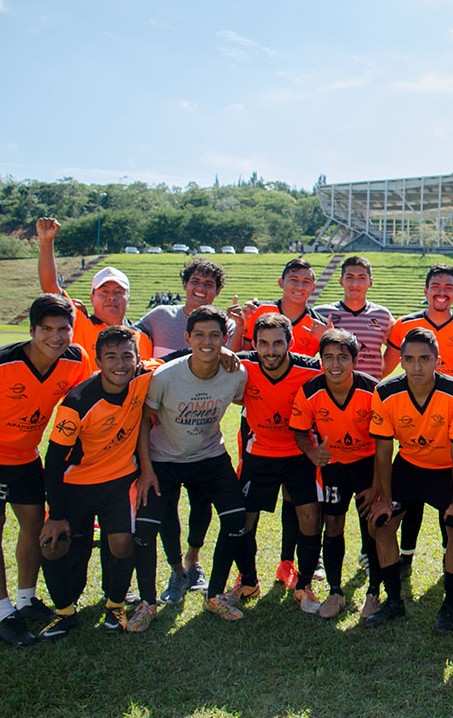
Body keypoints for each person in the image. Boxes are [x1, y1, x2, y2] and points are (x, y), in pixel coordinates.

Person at [0, 294, 93, 645]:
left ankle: (25, 599)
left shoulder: (76, 360)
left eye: (63, 329)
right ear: (32, 329)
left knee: (34, 526)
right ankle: (5, 614)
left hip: (27, 457)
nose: (55, 337)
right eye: (46, 329)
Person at [131, 306, 250, 630]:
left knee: (236, 520)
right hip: (163, 459)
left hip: (209, 455)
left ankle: (214, 595)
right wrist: (146, 469)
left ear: (224, 339)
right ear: (187, 338)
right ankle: (148, 601)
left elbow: (245, 397)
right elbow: (144, 419)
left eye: (215, 335)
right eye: (199, 335)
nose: (207, 342)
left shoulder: (236, 372)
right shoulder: (165, 376)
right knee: (145, 529)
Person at [37, 326, 156, 637]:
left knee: (122, 543)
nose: (120, 364)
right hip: (75, 485)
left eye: (127, 356)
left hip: (119, 482)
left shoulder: (144, 377)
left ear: (138, 358)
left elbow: (183, 360)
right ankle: (63, 611)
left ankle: (115, 604)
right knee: (53, 545)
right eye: (111, 357)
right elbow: (54, 460)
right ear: (99, 361)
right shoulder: (76, 402)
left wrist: (225, 354)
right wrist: (57, 514)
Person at [136, 256, 234, 606]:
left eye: (209, 284)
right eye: (195, 281)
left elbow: (222, 367)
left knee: (202, 504)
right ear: (185, 284)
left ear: (218, 291)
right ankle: (176, 569)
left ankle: (193, 561)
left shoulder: (226, 325)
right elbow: (132, 349)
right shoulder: (159, 317)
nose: (201, 288)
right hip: (160, 435)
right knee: (166, 507)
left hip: (203, 437)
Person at [367, 328, 453, 632]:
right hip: (409, 466)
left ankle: (449, 605)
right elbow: (384, 449)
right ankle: (394, 601)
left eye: (425, 359)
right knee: (382, 524)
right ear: (400, 361)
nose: (417, 367)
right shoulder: (386, 393)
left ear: (438, 361)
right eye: (410, 359)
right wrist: (385, 498)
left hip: (446, 470)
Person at [384, 264, 453, 579]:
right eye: (435, 286)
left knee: (450, 498)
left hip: (452, 419)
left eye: (448, 287)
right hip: (414, 418)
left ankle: (448, 557)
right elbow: (387, 368)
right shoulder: (404, 325)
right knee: (411, 493)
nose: (442, 292)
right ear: (426, 290)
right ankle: (405, 556)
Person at [234, 313, 324, 612]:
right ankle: (247, 580)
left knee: (310, 516)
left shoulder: (310, 368)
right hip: (258, 453)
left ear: (290, 342)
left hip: (299, 454)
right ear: (255, 343)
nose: (270, 351)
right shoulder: (243, 365)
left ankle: (304, 583)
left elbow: (342, 371)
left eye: (277, 343)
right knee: (244, 519)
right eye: (263, 343)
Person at [290, 328, 381, 620]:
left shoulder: (372, 390)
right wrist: (311, 452)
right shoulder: (311, 391)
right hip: (333, 466)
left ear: (354, 360)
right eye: (327, 357)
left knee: (373, 523)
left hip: (366, 464)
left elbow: (384, 441)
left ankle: (374, 592)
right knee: (332, 523)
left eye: (342, 357)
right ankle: (335, 590)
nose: (335, 364)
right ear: (320, 360)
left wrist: (378, 483)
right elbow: (300, 430)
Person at [35, 217, 155, 361]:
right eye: (104, 292)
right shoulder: (79, 323)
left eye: (118, 292)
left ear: (128, 299)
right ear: (92, 298)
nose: (111, 297)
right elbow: (50, 287)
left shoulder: (143, 339)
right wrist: (46, 242)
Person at [314, 255, 394, 381]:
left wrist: (377, 377)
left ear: (370, 282)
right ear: (341, 281)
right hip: (332, 390)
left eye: (361, 278)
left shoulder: (382, 315)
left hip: (369, 392)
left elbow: (396, 348)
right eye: (350, 277)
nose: (355, 283)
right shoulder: (321, 313)